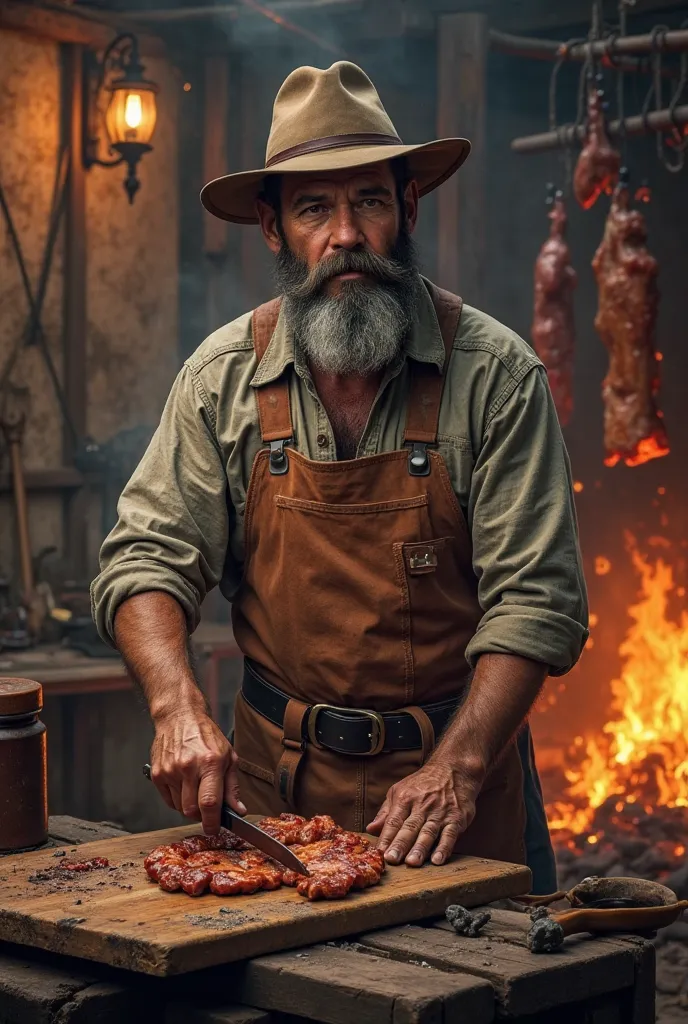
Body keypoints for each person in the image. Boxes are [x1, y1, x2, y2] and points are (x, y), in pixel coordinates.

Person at [91, 61, 588, 893]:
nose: (346, 235)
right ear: (273, 227)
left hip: (456, 791)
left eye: (369, 201)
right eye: (315, 207)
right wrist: (176, 710)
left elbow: (537, 602)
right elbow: (145, 556)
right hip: (271, 798)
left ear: (408, 209)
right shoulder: (221, 377)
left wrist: (459, 767)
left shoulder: (497, 373)